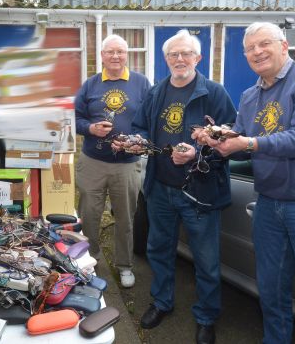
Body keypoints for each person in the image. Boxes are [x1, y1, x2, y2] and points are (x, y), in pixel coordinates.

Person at [195, 22, 295, 344]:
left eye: (264, 44)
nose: (257, 52)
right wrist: (209, 143)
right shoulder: (250, 95)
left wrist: (248, 143)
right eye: (250, 48)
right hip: (269, 203)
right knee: (270, 293)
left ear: (284, 45)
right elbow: (238, 141)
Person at [131, 29, 237, 344]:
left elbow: (231, 137)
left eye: (186, 53)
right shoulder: (156, 92)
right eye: (174, 54)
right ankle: (162, 303)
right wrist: (137, 142)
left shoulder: (215, 93)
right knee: (159, 250)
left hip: (200, 191)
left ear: (198, 58)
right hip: (160, 188)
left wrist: (199, 153)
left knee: (206, 259)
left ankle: (206, 317)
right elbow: (139, 126)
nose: (180, 59)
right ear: (166, 59)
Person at [75, 34, 151, 288]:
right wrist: (90, 128)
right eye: (110, 52)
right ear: (102, 56)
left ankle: (124, 265)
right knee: (89, 213)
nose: (115, 56)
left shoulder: (141, 84)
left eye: (120, 52)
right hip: (93, 161)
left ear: (127, 55)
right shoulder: (90, 85)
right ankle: (91, 261)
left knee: (126, 217)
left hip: (128, 165)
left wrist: (136, 141)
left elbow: (150, 123)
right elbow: (75, 119)